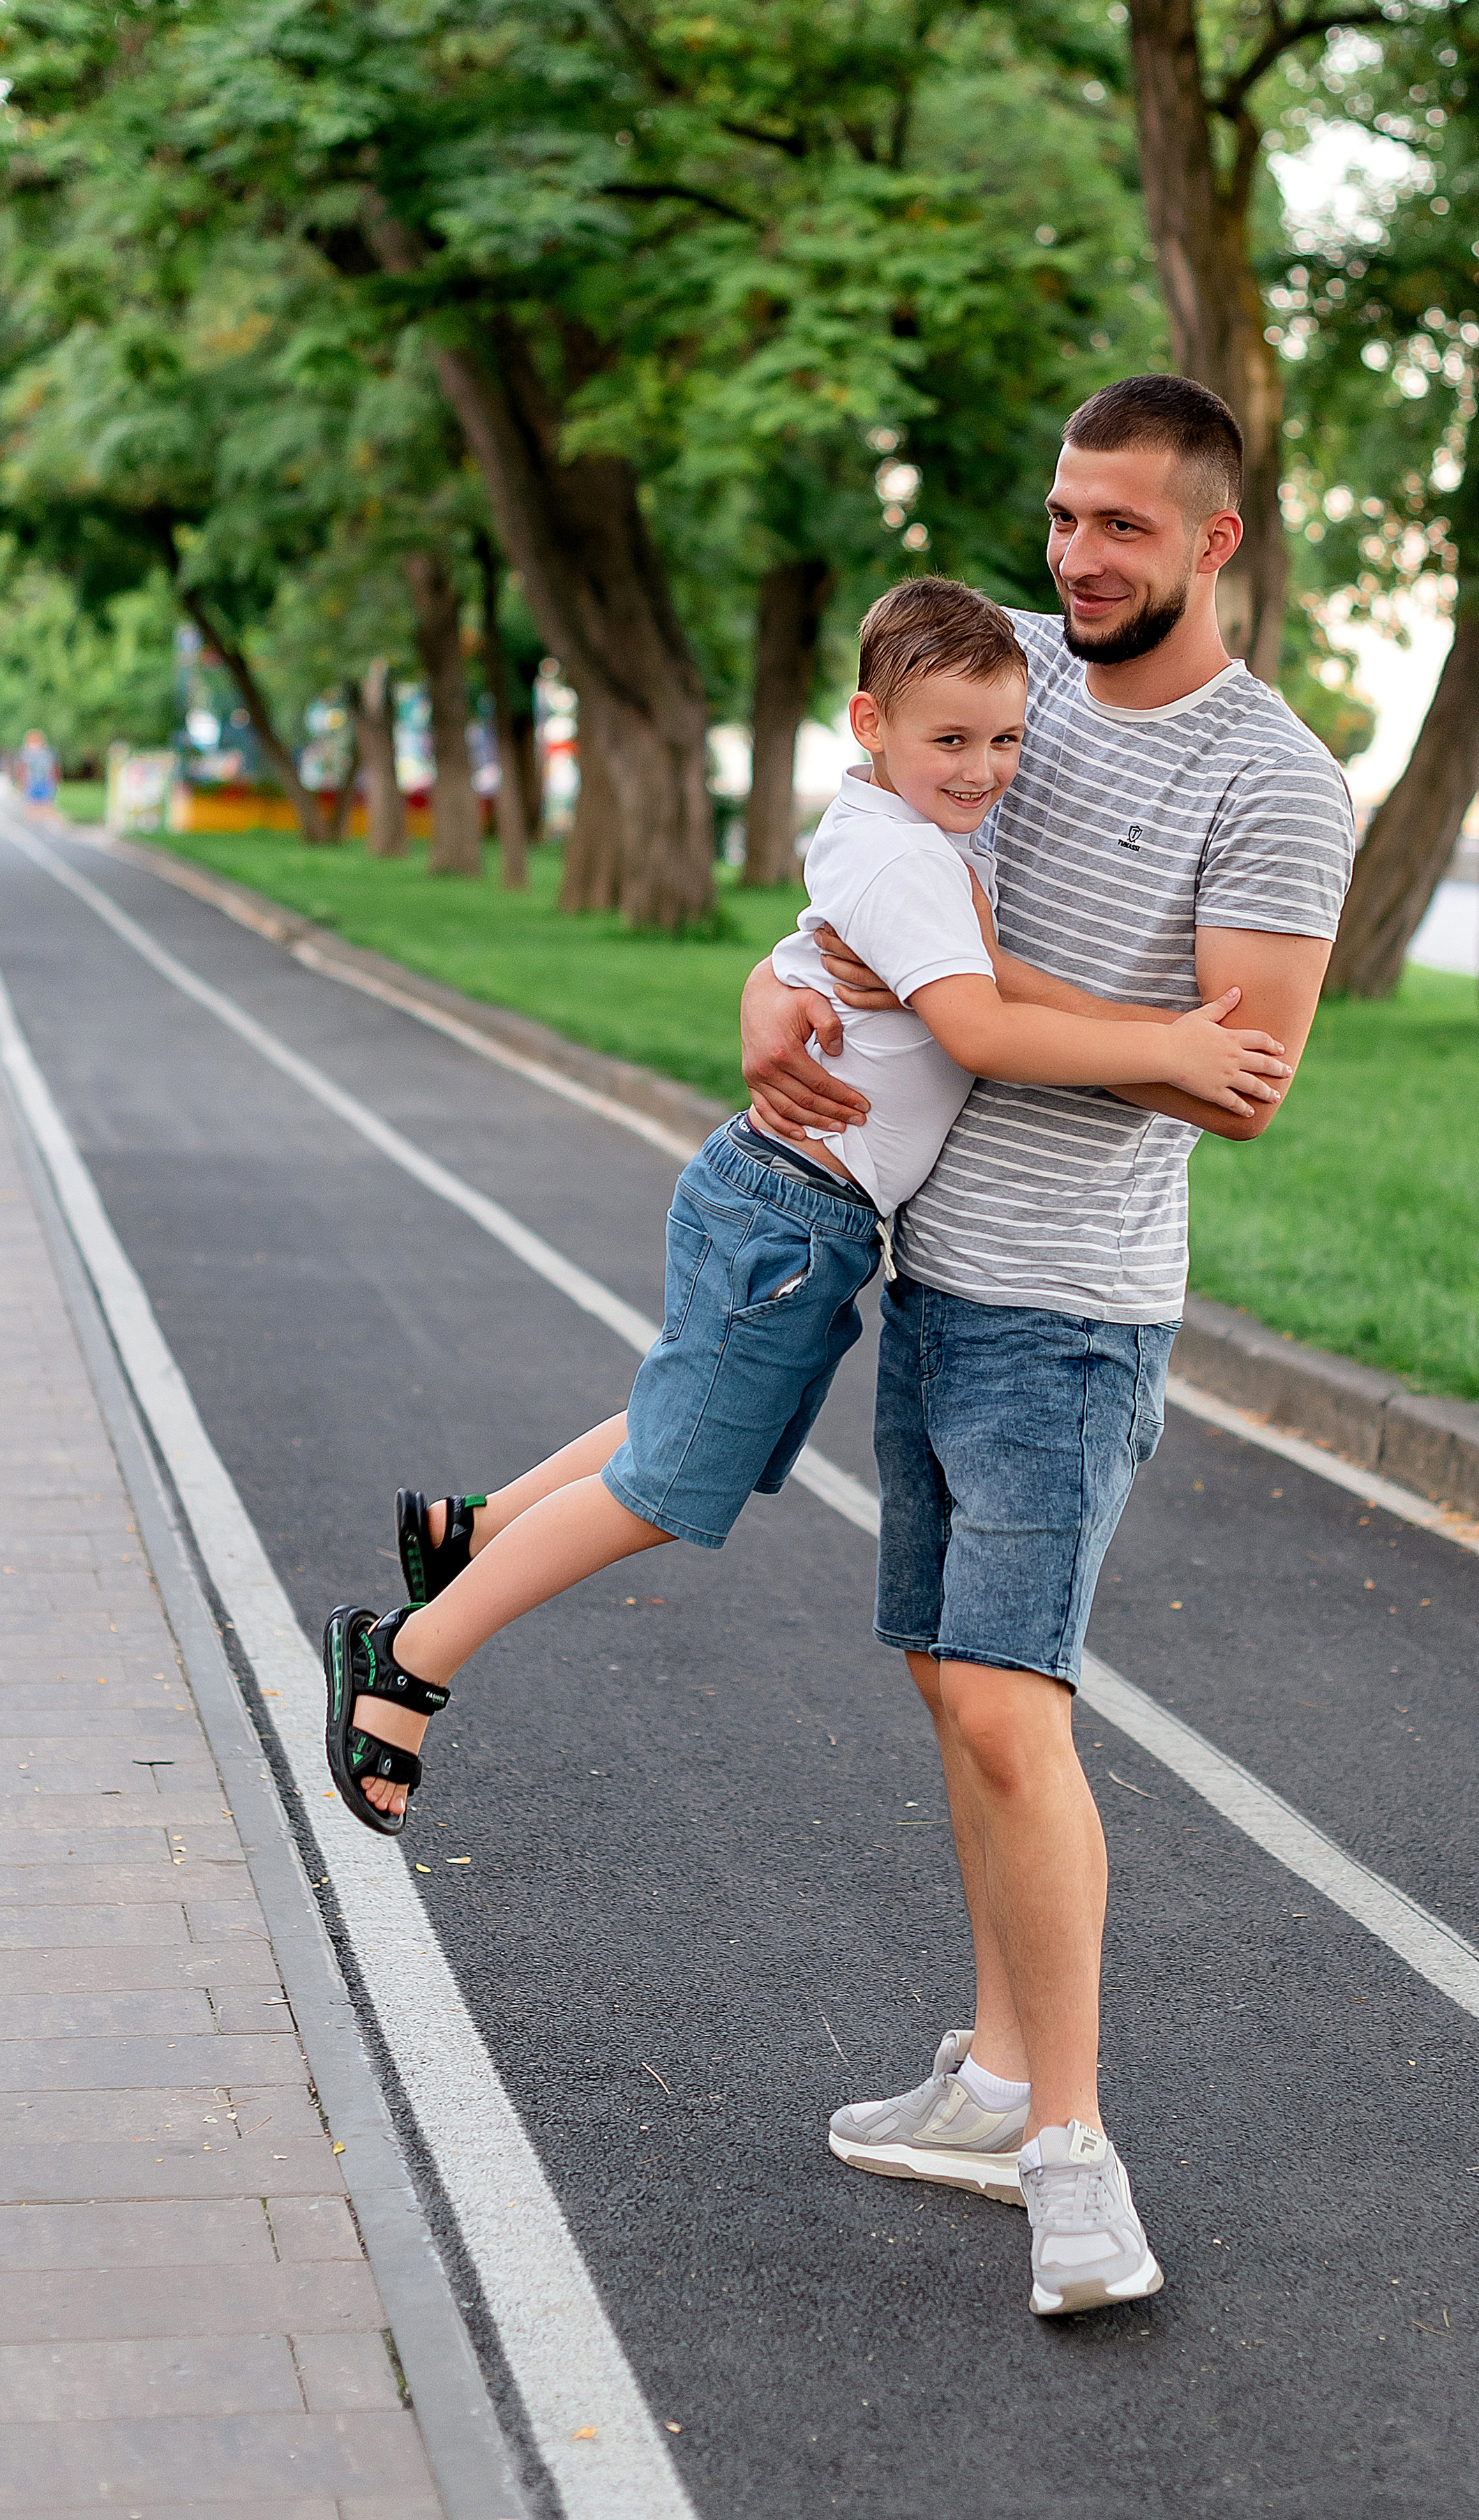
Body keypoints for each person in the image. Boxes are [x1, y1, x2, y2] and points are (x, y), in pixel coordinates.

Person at [321, 576, 1292, 1875]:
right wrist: (1164, 1036)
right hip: (793, 1207)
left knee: (693, 1417)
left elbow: (977, 970)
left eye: (1007, 742)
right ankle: (407, 1659)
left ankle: (476, 1528)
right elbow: (982, 1026)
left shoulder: (909, 837)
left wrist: (785, 972)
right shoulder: (899, 852)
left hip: (809, 1213)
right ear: (869, 724)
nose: (987, 768)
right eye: (953, 742)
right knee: (673, 1480)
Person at [740, 375, 1356, 2318]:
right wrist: (762, 988)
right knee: (948, 1684)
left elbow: (1241, 1080)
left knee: (1014, 1708)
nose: (1077, 560)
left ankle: (1076, 2149)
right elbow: (859, 855)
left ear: (1214, 545)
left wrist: (993, 1002)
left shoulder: (1276, 782)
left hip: (1072, 1306)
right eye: (1064, 516)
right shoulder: (1003, 666)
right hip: (926, 1269)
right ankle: (996, 2075)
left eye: (1122, 529)